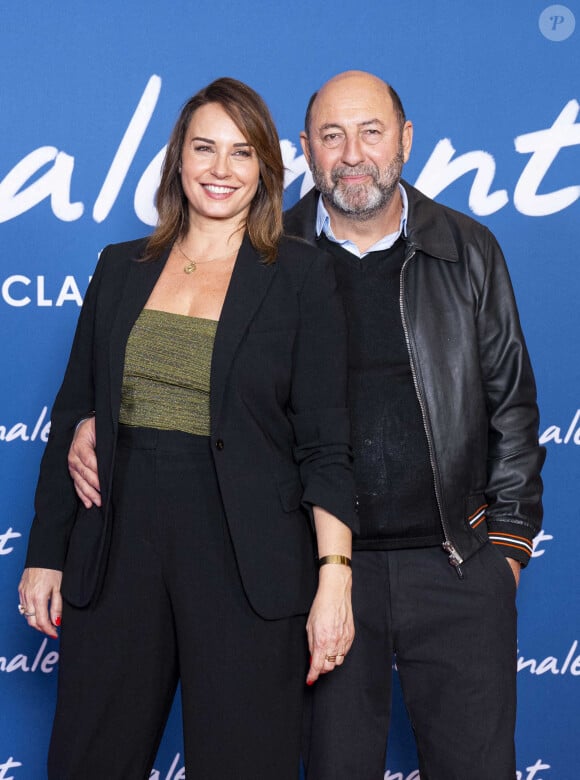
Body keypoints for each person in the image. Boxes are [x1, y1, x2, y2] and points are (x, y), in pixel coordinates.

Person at [66, 70, 546, 779]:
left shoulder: (467, 250)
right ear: (304, 151)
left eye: (371, 132)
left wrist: (503, 550)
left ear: (406, 142)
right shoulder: (269, 255)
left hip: (452, 561)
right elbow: (194, 384)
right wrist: (97, 418)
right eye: (331, 135)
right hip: (315, 569)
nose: (352, 154)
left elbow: (512, 406)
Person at [17, 77, 356, 780]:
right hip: (118, 549)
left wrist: (334, 580)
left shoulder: (301, 275)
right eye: (204, 148)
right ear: (178, 159)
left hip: (247, 560)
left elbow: (326, 444)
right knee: (88, 762)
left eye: (241, 152)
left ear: (265, 167)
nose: (220, 170)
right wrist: (45, 554)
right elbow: (72, 411)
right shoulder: (120, 267)